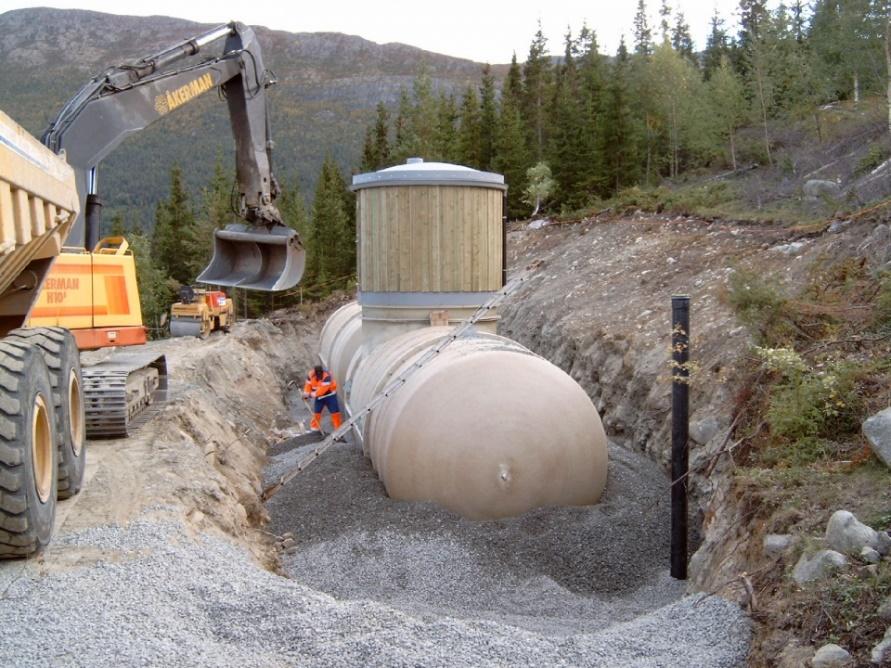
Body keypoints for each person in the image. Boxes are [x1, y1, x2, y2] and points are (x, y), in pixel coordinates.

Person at [303, 364, 343, 432]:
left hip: (330, 396)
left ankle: (338, 430)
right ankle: (314, 429)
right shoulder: (310, 375)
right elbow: (308, 385)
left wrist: (310, 395)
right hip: (319, 398)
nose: (319, 375)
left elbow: (322, 391)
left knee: (335, 413)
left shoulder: (327, 376)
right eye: (317, 374)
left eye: (320, 373)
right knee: (316, 412)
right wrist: (306, 393)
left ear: (322, 371)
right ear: (315, 373)